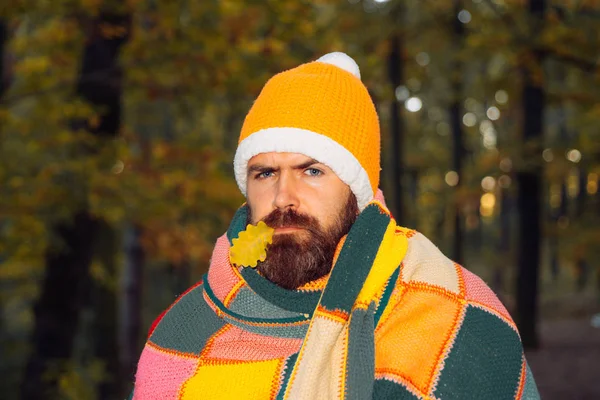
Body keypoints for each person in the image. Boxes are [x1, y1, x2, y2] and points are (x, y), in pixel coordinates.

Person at [129, 52, 540, 399]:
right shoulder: (185, 332)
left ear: (356, 189)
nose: (283, 197)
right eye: (265, 173)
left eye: (311, 171)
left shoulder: (446, 309)